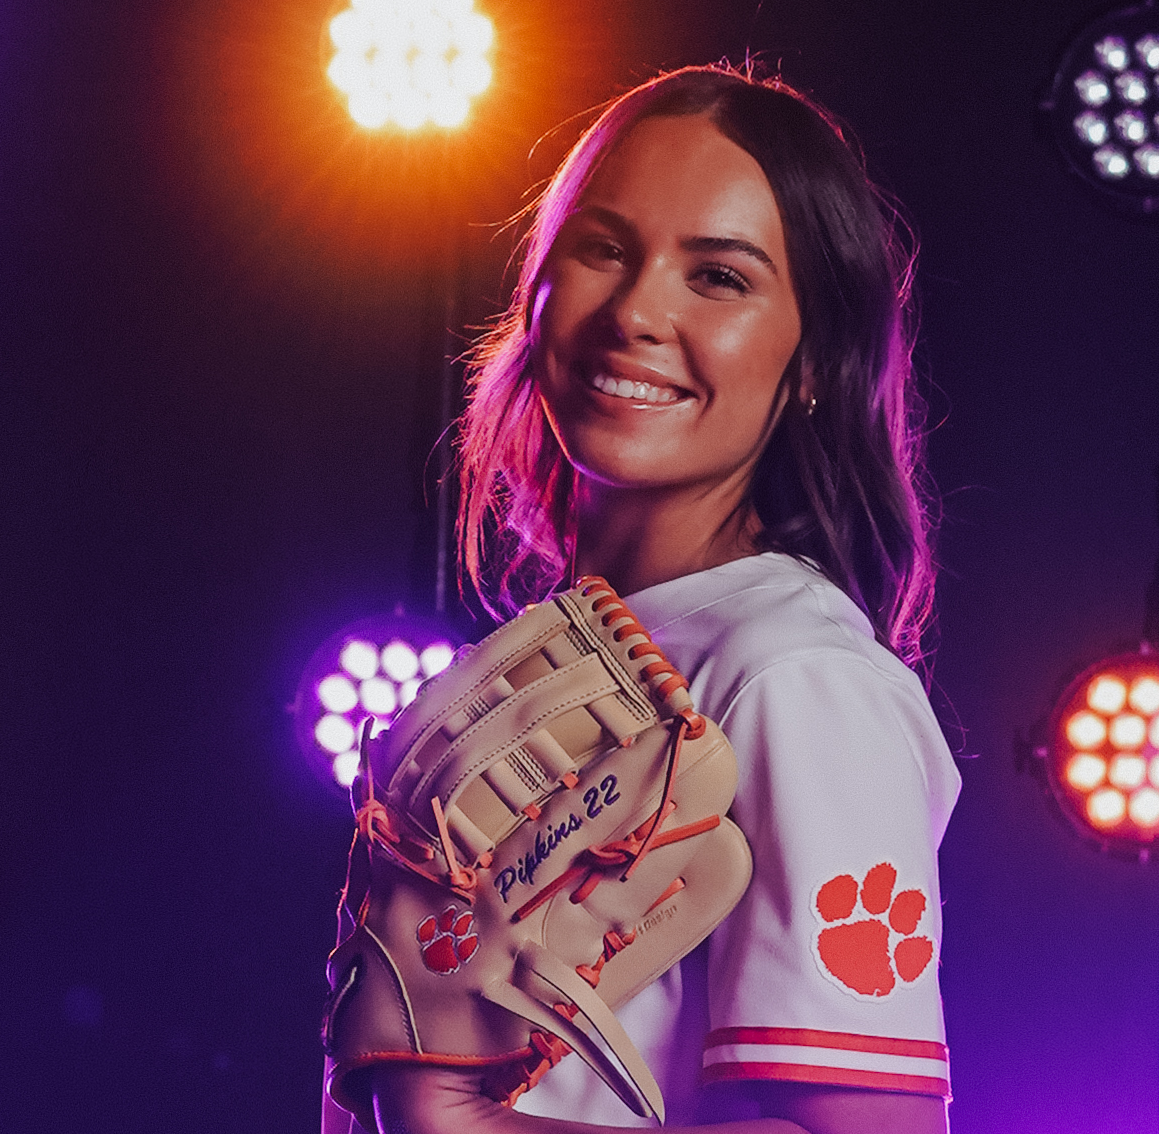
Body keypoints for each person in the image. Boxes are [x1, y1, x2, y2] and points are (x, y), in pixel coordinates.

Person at [340, 65, 955, 1134]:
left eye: (717, 277)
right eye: (605, 249)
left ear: (813, 358)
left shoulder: (794, 675)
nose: (635, 311)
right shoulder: (545, 662)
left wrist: (455, 1120)